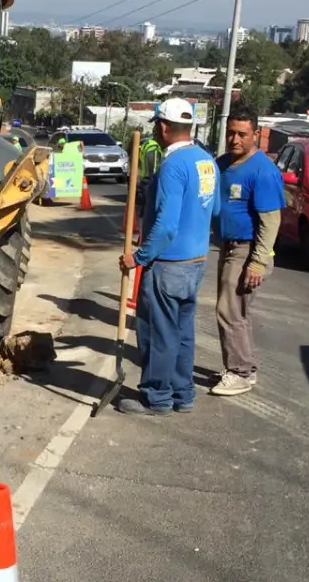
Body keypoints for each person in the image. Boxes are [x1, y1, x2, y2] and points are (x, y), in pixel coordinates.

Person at [118, 98, 220, 416]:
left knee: (158, 332)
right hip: (196, 262)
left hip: (167, 264)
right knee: (182, 332)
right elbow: (213, 209)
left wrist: (139, 256)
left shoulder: (172, 166)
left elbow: (166, 225)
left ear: (163, 127)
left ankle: (157, 397)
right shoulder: (206, 161)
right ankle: (183, 392)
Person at [210, 104, 285, 397]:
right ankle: (244, 367)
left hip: (247, 250)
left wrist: (257, 262)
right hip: (227, 247)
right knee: (236, 311)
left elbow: (270, 221)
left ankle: (239, 372)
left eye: (242, 134)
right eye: (230, 133)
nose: (235, 139)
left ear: (256, 134)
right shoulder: (223, 163)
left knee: (228, 311)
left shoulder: (263, 171)